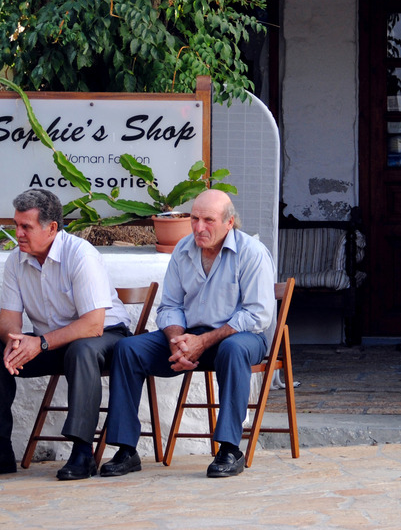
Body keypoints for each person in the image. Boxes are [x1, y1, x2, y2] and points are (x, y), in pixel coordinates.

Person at [99, 189, 275, 479]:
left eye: (209, 220)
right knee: (128, 350)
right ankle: (126, 449)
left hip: (240, 337)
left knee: (233, 350)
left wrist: (202, 342)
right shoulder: (183, 250)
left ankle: (229, 449)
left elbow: (257, 314)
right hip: (188, 337)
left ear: (229, 223)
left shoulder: (251, 252)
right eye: (194, 218)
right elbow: (170, 306)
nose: (199, 227)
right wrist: (177, 341)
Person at [0, 188, 132, 481]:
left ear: (52, 228)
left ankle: (83, 452)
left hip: (104, 338)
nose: (17, 233)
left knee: (82, 350)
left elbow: (93, 324)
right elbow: (7, 321)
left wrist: (40, 343)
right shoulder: (16, 262)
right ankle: (1, 450)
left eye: (25, 227)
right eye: (15, 225)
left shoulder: (80, 255)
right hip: (53, 344)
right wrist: (14, 341)